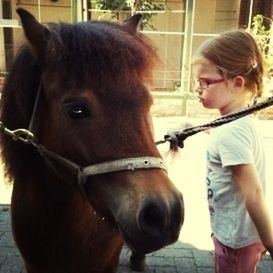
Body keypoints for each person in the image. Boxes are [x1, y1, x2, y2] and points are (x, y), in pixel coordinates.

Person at [191, 29, 273, 273]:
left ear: (237, 83)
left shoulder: (230, 134)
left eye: (205, 82)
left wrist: (271, 242)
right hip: (239, 235)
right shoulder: (236, 121)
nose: (198, 88)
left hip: (236, 241)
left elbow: (254, 194)